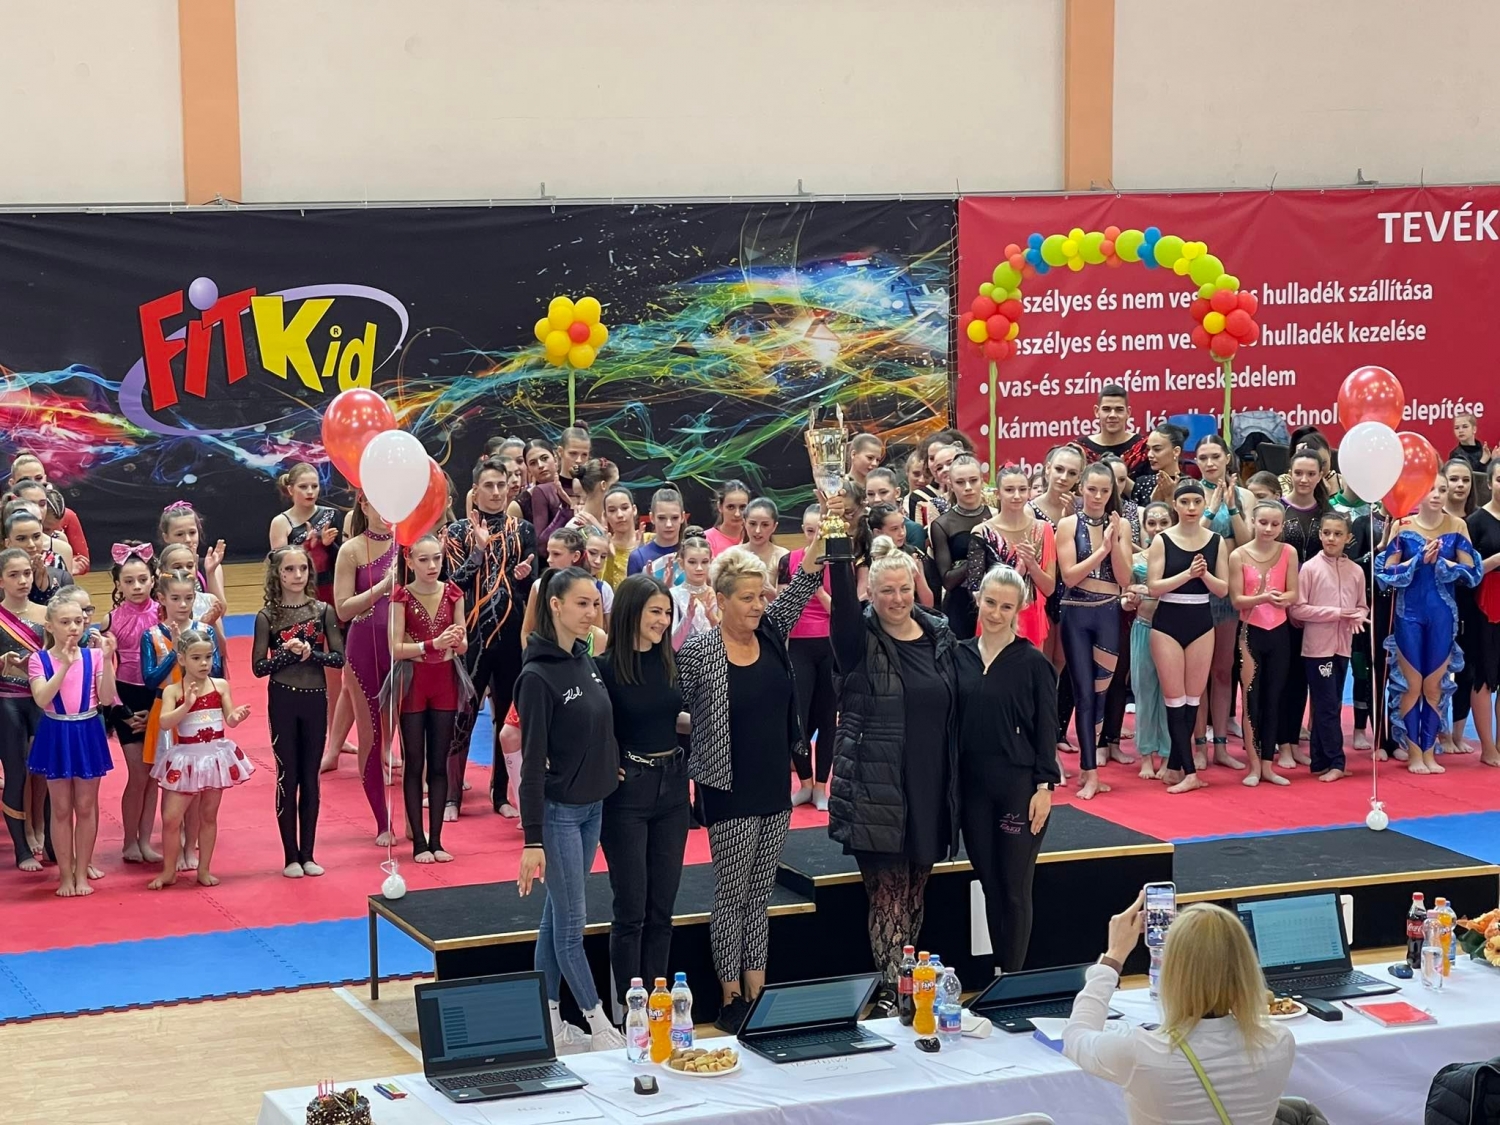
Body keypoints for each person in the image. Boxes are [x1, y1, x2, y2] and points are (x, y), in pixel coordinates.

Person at [677, 538, 826, 1034]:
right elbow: (671, 709)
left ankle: (757, 993)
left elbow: (804, 580)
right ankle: (730, 998)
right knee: (732, 894)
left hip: (773, 783)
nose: (758, 605)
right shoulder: (699, 651)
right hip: (727, 786)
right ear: (721, 600)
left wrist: (824, 529)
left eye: (761, 596)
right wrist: (701, 731)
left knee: (759, 895)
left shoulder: (772, 632)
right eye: (747, 598)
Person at [828, 529, 957, 1010]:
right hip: (875, 786)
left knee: (915, 891)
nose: (897, 599)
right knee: (888, 895)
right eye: (886, 590)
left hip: (930, 783)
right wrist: (838, 545)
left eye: (904, 588)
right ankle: (893, 993)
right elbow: (843, 608)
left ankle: (908, 985)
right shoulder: (857, 638)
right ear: (871, 593)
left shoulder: (939, 633)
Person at [514, 565, 624, 1051]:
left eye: (595, 603)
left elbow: (597, 724)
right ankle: (599, 1025)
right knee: (571, 927)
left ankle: (550, 1020)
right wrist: (532, 840)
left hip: (592, 808)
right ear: (555, 606)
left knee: (556, 918)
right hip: (559, 814)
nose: (591, 613)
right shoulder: (537, 677)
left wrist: (608, 764)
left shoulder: (586, 658)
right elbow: (531, 763)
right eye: (581, 603)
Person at [1064, 893, 1294, 1125]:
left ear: (1173, 971)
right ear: (1246, 968)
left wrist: (1114, 956)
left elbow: (1075, 1036)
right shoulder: (1279, 1041)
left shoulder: (1140, 1051)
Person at [956, 565, 1059, 976]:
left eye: (1006, 606)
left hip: (1018, 788)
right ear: (978, 599)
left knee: (1015, 888)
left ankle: (1011, 982)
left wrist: (1044, 787)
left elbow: (1047, 729)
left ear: (1019, 610)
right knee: (990, 883)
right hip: (972, 789)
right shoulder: (958, 655)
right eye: (990, 602)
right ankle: (1000, 972)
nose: (996, 613)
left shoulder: (1033, 663)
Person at [597, 575, 690, 1008]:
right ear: (632, 611)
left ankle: (659, 1003)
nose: (663, 620)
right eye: (655, 611)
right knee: (631, 908)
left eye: (667, 612)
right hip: (627, 794)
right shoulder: (604, 669)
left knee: (662, 909)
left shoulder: (669, 660)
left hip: (673, 788)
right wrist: (605, 760)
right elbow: (593, 726)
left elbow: (671, 716)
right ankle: (627, 1009)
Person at [444, 458, 537, 818]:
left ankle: (501, 794)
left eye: (502, 485)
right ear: (475, 490)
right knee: (462, 715)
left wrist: (525, 577)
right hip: (472, 638)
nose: (497, 492)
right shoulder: (457, 532)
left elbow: (532, 588)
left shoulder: (522, 530)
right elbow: (453, 586)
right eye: (489, 485)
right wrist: (479, 550)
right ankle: (452, 795)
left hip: (512, 637)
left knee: (507, 719)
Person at [1377, 475, 1482, 775]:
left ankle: (1428, 750)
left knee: (1434, 686)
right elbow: (1384, 572)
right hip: (1409, 615)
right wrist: (1417, 561)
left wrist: (1446, 565)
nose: (1436, 495)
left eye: (1442, 490)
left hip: (1443, 616)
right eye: (1430, 490)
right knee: (1412, 685)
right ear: (1418, 494)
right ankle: (1414, 753)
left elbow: (1472, 572)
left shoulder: (1457, 526)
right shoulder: (1403, 526)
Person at [253, 545, 345, 878]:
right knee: (287, 776)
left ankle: (308, 853)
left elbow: (339, 658)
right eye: (289, 569)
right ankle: (290, 856)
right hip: (283, 699)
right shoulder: (268, 616)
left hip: (315, 698)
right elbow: (258, 667)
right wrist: (286, 655)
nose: (297, 575)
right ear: (277, 574)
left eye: (302, 569)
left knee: (310, 778)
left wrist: (311, 655)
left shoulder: (322, 611)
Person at [146, 630, 253, 888]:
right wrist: (186, 706)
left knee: (208, 815)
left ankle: (203, 869)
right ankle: (169, 871)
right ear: (182, 659)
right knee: (171, 818)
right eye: (196, 658)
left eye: (208, 657)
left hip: (214, 757)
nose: (204, 663)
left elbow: (229, 719)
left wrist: (236, 717)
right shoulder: (173, 691)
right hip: (187, 758)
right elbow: (164, 723)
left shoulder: (220, 685)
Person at [387, 533, 468, 863]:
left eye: (437, 558)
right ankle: (419, 842)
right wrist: (433, 644)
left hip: (444, 680)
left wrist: (456, 639)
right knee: (414, 762)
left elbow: (463, 644)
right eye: (424, 559)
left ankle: (436, 840)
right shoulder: (401, 596)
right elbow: (395, 648)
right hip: (413, 683)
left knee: (438, 763)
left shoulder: (453, 593)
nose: (432, 565)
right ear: (409, 561)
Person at [29, 595, 117, 897]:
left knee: (86, 806)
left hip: (87, 729)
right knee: (61, 809)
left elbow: (107, 698)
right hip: (56, 730)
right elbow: (42, 699)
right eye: (65, 622)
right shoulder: (39, 659)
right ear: (50, 626)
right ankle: (65, 876)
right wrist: (64, 667)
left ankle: (82, 873)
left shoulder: (93, 657)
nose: (73, 628)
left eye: (78, 621)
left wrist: (108, 659)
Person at [1055, 463, 1134, 800]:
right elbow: (1070, 576)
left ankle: (1091, 769)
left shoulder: (1122, 525)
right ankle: (1089, 769)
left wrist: (1114, 543)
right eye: (1092, 490)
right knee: (1084, 694)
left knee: (1102, 692)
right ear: (1081, 490)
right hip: (1076, 613)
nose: (1098, 496)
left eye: (1105, 491)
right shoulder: (1068, 524)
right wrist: (1102, 549)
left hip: (1108, 612)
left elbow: (1125, 579)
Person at [1146, 480, 1229, 794]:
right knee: (1174, 699)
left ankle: (1174, 768)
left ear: (1204, 504)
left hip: (1201, 619)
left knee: (1192, 700)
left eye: (1197, 502)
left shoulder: (1216, 541)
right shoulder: (1163, 540)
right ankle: (1190, 772)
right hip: (1167, 621)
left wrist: (1204, 574)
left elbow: (1223, 589)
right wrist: (1188, 574)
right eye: (1185, 502)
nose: (1191, 508)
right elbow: (1154, 587)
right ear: (1176, 506)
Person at [268, 462, 352, 765]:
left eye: (315, 486)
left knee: (335, 668)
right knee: (305, 666)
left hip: (330, 594)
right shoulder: (281, 522)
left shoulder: (330, 515)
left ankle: (335, 735)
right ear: (290, 489)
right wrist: (310, 543)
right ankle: (303, 733)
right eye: (303, 486)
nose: (310, 491)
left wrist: (330, 545)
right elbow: (280, 565)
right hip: (300, 601)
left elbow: (343, 557)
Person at [333, 494, 398, 844]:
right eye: (378, 503)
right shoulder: (352, 550)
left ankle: (418, 825)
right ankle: (382, 821)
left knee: (411, 733)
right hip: (364, 651)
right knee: (371, 735)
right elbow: (343, 609)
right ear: (364, 505)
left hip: (404, 647)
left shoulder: (410, 546)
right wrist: (383, 586)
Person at [1291, 511, 1367, 783]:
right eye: (1327, 533)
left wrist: (1358, 616)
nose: (1331, 538)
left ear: (1348, 538)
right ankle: (1336, 760)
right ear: (1320, 534)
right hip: (1317, 648)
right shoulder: (1310, 569)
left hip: (1342, 646)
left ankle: (1320, 760)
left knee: (1332, 703)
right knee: (1326, 705)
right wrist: (1336, 613)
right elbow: (1298, 609)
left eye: (1338, 534)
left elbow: (1361, 606)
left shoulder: (1356, 571)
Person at [1229, 502, 1299, 788]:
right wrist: (1263, 598)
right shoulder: (1238, 555)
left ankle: (1268, 764)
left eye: (1275, 524)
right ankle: (1254, 765)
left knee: (1274, 699)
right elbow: (1236, 600)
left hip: (1278, 632)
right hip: (1250, 634)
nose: (1268, 529)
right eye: (1263, 523)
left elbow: (1293, 592)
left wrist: (1284, 598)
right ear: (1253, 522)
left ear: (1282, 526)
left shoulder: (1288, 552)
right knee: (1251, 701)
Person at [101, 541, 162, 864]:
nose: (136, 586)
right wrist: (120, 710)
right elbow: (104, 673)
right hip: (125, 698)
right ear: (118, 584)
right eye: (129, 581)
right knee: (138, 774)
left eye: (142, 579)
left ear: (153, 579)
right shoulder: (111, 621)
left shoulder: (163, 614)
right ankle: (129, 841)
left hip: (157, 698)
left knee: (153, 777)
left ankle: (145, 840)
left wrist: (158, 709)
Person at [1194, 435, 1252, 770]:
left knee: (1222, 671)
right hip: (1197, 593)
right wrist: (1211, 510)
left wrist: (1231, 507)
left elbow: (1245, 545)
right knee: (1198, 675)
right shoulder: (1190, 492)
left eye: (1215, 456)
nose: (1210, 463)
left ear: (1227, 457)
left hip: (1228, 594)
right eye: (1203, 457)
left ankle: (1221, 747)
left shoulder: (1244, 496)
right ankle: (1199, 746)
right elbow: (1191, 542)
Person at [1277, 447, 1331, 769]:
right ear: (1290, 473)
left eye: (1311, 474)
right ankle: (1280, 743)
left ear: (1321, 475)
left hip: (1316, 607)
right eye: (1298, 473)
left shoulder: (1327, 512)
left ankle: (1294, 741)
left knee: (1302, 677)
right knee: (1281, 677)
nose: (1304, 479)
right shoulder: (1278, 510)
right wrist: (1287, 603)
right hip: (1281, 605)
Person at [973, 465, 1058, 647]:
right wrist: (1016, 574)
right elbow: (976, 590)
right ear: (998, 493)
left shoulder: (1043, 529)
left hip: (1030, 615)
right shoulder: (982, 532)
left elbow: (1049, 588)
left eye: (1022, 489)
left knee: (1029, 665)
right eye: (1009, 490)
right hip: (994, 616)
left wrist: (1032, 565)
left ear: (1029, 491)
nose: (1017, 496)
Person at [0, 547, 46, 870]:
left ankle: (47, 835)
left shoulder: (46, 614)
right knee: (17, 773)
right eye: (14, 575)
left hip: (42, 700)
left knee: (47, 772)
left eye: (27, 573)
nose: (22, 580)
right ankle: (21, 848)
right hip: (7, 701)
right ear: (1, 580)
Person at [1126, 503, 1173, 778]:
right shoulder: (1136, 559)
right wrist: (1129, 599)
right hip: (1143, 628)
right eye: (1152, 523)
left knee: (1170, 692)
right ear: (1144, 527)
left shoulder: (1180, 557)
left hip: (1172, 631)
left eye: (1163, 522)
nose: (1157, 528)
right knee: (1143, 691)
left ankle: (1167, 754)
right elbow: (1124, 598)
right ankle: (1146, 754)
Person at [929, 453, 994, 638]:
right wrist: (977, 556)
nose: (968, 488)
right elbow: (947, 580)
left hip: (995, 600)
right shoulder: (942, 524)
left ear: (982, 480)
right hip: (960, 606)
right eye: (960, 482)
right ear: (950, 483)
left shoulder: (996, 515)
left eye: (973, 480)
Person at [1443, 458, 1480, 754]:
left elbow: (1475, 568)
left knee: (1467, 670)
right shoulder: (1434, 517)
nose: (1460, 485)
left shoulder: (1476, 520)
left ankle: (1457, 733)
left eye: (1465, 480)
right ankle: (1439, 732)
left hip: (1471, 604)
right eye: (1454, 479)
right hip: (1438, 603)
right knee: (1438, 671)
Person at [1467, 460, 1500, 769]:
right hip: (1485, 604)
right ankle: (1488, 747)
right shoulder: (1476, 521)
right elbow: (1467, 570)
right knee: (1484, 676)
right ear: (1489, 483)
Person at [7, 453, 88, 573]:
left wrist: (68, 566)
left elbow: (82, 561)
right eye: (25, 480)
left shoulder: (64, 521)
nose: (34, 484)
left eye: (38, 478)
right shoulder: (4, 519)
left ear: (45, 479)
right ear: (12, 483)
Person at [863, 504, 935, 607]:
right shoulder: (866, 560)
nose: (902, 533)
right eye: (894, 529)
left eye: (903, 526)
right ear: (877, 532)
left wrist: (917, 576)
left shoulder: (913, 554)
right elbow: (860, 601)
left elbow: (928, 605)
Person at [1079, 383, 1148, 477]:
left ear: (1128, 413)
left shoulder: (1143, 448)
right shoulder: (1081, 449)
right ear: (1096, 411)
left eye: (1119, 409)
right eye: (1106, 409)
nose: (1112, 415)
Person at [670, 530, 719, 649]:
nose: (699, 568)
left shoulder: (718, 594)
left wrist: (713, 619)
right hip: (683, 657)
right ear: (681, 563)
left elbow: (727, 639)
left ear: (711, 562)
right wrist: (688, 617)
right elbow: (672, 645)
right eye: (692, 562)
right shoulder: (673, 595)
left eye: (704, 562)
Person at [864, 467, 927, 551]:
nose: (876, 499)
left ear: (897, 492)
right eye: (870, 494)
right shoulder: (862, 527)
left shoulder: (913, 530)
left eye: (883, 492)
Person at [627, 488, 685, 579]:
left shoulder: (692, 553)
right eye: (661, 518)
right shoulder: (638, 557)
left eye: (674, 518)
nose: (668, 524)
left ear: (682, 517)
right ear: (652, 518)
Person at [1132, 422, 1191, 509]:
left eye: (1157, 449)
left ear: (1176, 451)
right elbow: (1134, 516)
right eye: (1148, 449)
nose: (1149, 455)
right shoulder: (1142, 483)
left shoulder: (1189, 485)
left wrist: (1170, 497)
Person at [741, 497, 788, 581]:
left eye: (765, 525)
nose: (757, 531)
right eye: (752, 524)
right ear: (744, 523)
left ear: (774, 526)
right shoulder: (732, 555)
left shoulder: (784, 557)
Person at [706, 480, 750, 556]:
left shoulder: (755, 537)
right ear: (720, 506)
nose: (737, 514)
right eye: (731, 507)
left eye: (742, 507)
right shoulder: (706, 539)